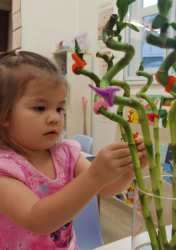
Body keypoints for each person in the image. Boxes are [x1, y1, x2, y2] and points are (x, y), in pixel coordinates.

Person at [0, 50, 148, 249]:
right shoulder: (5, 169)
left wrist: (129, 169)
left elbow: (106, 188)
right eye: (40, 108)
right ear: (4, 115)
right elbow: (37, 219)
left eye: (60, 109)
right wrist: (95, 175)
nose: (55, 118)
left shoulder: (66, 154)